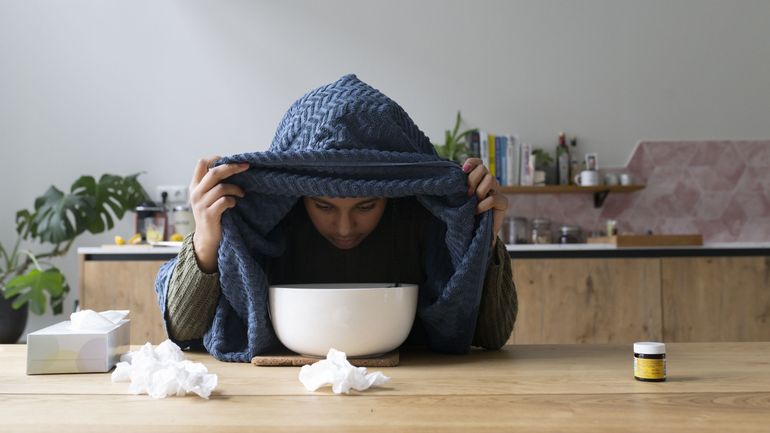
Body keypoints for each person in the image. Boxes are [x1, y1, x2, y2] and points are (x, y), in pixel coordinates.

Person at [156, 74, 517, 362]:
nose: (344, 229)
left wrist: (481, 240)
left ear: (394, 197)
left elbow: (490, 336)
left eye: (366, 206)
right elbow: (183, 332)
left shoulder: (423, 225)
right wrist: (205, 240)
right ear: (297, 197)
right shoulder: (264, 230)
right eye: (323, 206)